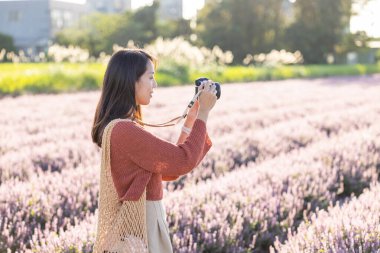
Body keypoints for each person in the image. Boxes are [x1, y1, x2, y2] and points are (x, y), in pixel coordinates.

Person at [91, 48, 217, 253]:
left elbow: (170, 169)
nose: (154, 85)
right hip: (142, 226)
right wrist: (204, 113)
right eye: (150, 78)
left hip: (144, 224)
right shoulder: (124, 130)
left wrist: (193, 118)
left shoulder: (122, 127)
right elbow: (182, 161)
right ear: (131, 80)